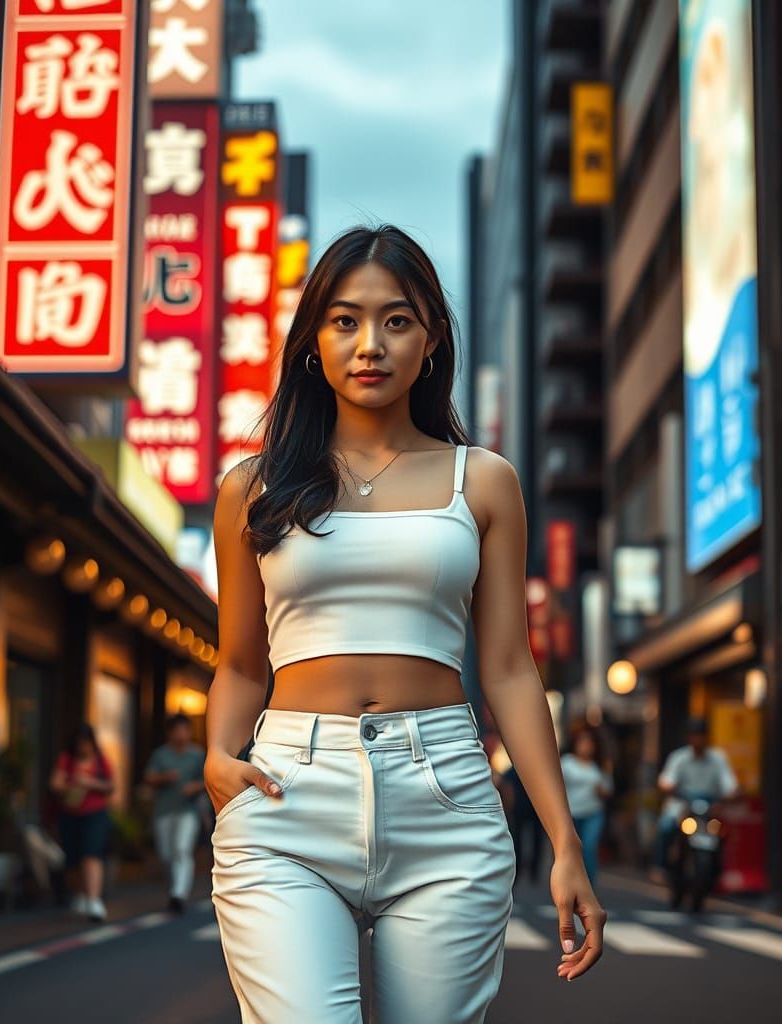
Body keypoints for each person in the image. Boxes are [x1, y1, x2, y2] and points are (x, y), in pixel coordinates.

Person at [207, 224, 607, 1023]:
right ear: (312, 341)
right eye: (345, 320)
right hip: (287, 793)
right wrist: (217, 757)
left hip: (446, 798)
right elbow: (243, 664)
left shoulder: (484, 481)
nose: (370, 344)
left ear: (430, 342)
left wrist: (565, 842)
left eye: (397, 320)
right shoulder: (251, 487)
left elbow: (508, 669)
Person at [652, 716, 738, 876]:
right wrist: (668, 787)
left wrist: (730, 793)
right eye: (695, 735)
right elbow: (666, 780)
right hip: (683, 805)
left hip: (709, 808)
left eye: (701, 735)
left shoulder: (718, 759)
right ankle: (661, 866)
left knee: (723, 832)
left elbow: (729, 784)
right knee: (666, 827)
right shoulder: (679, 758)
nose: (698, 740)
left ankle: (719, 869)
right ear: (689, 737)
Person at [50, 723, 114, 922]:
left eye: (86, 743)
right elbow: (55, 784)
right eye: (80, 743)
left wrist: (90, 783)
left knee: (91, 853)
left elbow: (111, 786)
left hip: (95, 813)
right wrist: (71, 785)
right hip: (70, 814)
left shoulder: (101, 761)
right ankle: (81, 893)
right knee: (73, 859)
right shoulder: (67, 760)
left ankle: (94, 900)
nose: (83, 747)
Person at [145, 712, 208, 913]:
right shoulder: (161, 755)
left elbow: (208, 779)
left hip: (188, 810)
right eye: (177, 730)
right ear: (170, 733)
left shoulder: (198, 755)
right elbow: (149, 777)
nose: (181, 734)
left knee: (182, 849)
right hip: (164, 810)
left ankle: (179, 894)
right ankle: (174, 888)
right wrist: (164, 778)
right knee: (167, 854)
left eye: (185, 730)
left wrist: (194, 787)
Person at [560, 725, 613, 887]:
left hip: (593, 812)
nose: (586, 745)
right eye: (582, 741)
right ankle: (570, 884)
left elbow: (609, 790)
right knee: (570, 850)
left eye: (589, 742)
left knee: (589, 847)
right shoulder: (567, 762)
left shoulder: (600, 766)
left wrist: (601, 791)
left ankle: (588, 885)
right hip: (571, 813)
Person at [501, 761, 545, 886]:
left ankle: (531, 868)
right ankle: (524, 867)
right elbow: (507, 787)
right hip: (523, 808)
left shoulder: (531, 769)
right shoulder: (516, 769)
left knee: (533, 839)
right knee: (520, 839)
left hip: (534, 809)